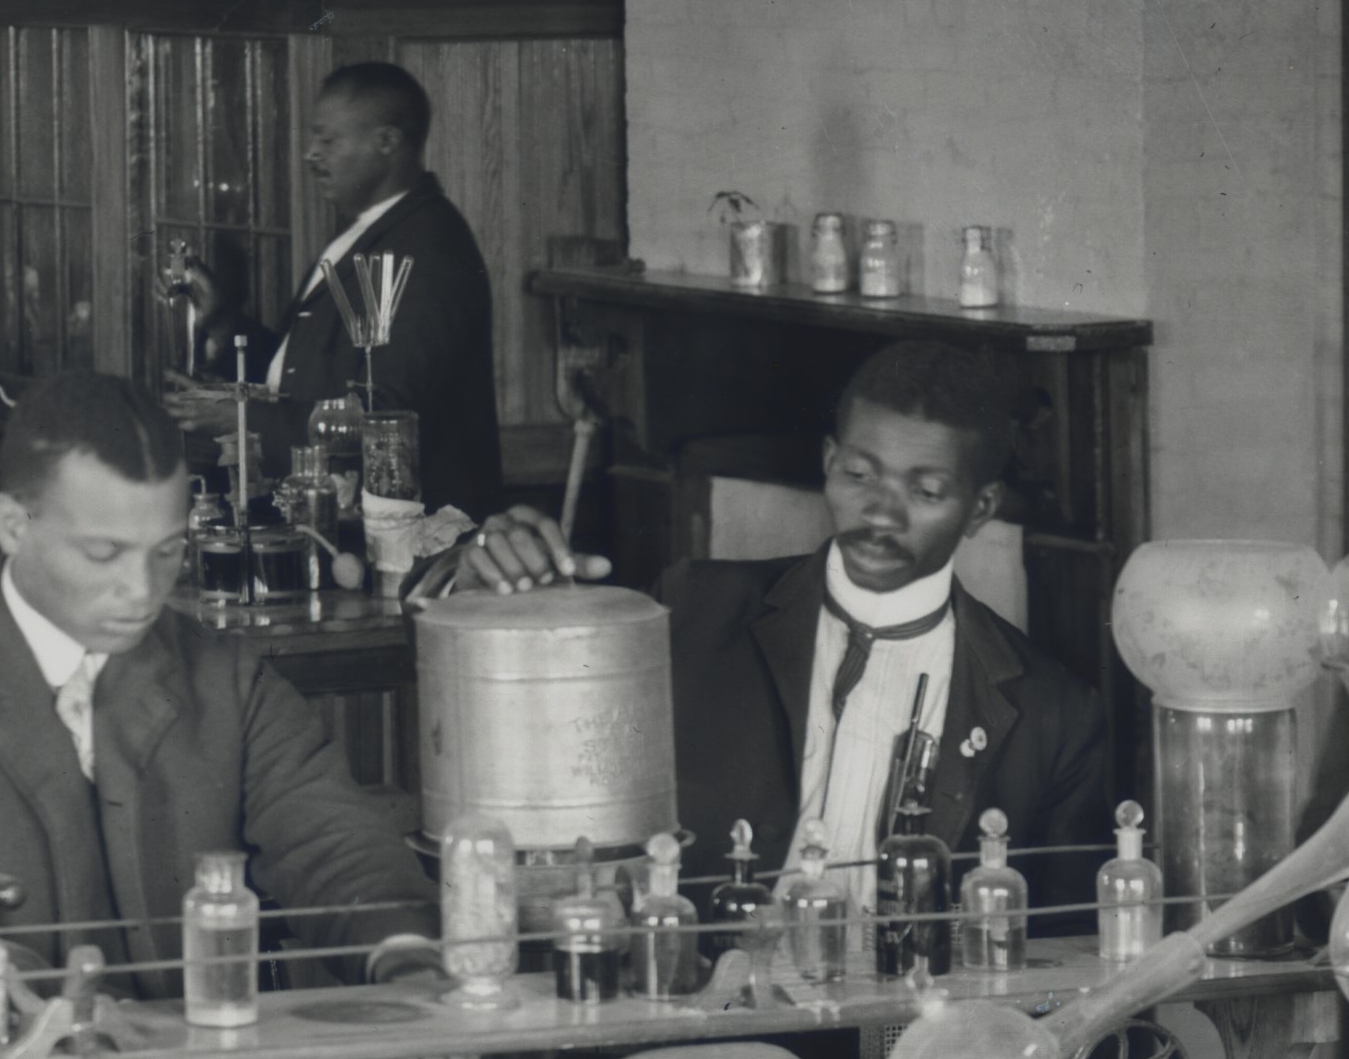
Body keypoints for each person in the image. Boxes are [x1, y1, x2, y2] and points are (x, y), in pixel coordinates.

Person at [444, 336, 1119, 899]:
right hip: (705, 1019)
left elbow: (1061, 959)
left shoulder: (1053, 715)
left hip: (908, 1042)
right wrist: (491, 580)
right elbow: (539, 722)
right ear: (828, 464)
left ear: (979, 508)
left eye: (925, 491)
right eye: (859, 475)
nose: (880, 513)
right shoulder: (689, 610)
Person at [0, 371, 438, 988]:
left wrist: (404, 956)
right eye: (104, 553)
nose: (144, 591)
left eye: (168, 551)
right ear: (12, 525)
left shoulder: (224, 679)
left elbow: (333, 845)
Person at [271, 61, 511, 522]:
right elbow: (312, 361)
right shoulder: (375, 231)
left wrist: (247, 423)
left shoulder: (428, 250)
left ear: (386, 142)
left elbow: (384, 411)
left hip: (414, 535)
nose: (310, 154)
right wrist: (222, 321)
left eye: (328, 140)